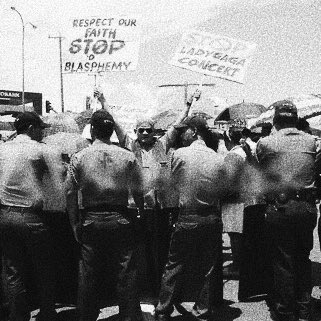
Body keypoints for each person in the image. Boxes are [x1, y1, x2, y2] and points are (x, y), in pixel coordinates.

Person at [94, 88, 201, 294]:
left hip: (159, 210)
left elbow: (177, 125)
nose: (145, 133)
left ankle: (159, 288)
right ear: (135, 131)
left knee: (161, 251)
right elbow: (115, 123)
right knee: (138, 252)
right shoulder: (128, 144)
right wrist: (103, 100)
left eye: (148, 130)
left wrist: (188, 104)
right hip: (136, 209)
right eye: (141, 130)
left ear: (154, 132)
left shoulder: (163, 144)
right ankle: (140, 289)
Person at [66, 109, 145, 321]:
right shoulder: (127, 156)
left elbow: (70, 193)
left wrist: (74, 223)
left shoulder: (79, 157)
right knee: (126, 272)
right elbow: (139, 190)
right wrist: (140, 212)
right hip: (120, 218)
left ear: (92, 129)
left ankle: (86, 317)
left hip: (91, 218)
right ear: (111, 131)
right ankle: (129, 317)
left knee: (88, 273)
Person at [154, 115, 227, 321]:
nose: (181, 135)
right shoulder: (217, 157)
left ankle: (163, 310)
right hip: (211, 217)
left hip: (187, 216)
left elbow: (169, 185)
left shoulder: (179, 155)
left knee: (174, 264)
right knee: (208, 268)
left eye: (183, 130)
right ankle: (202, 310)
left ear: (194, 131)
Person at [256, 100, 318, 321]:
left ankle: (285, 312)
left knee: (283, 261)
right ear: (296, 119)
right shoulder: (311, 142)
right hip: (307, 208)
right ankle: (304, 310)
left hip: (280, 208)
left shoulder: (266, 143)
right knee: (303, 258)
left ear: (275, 120)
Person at [0, 111, 58, 321]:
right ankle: (47, 313)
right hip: (32, 217)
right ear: (32, 128)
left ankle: (18, 316)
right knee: (44, 269)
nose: (42, 133)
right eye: (40, 129)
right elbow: (58, 184)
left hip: (5, 215)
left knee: (13, 271)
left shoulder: (2, 149)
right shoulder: (40, 150)